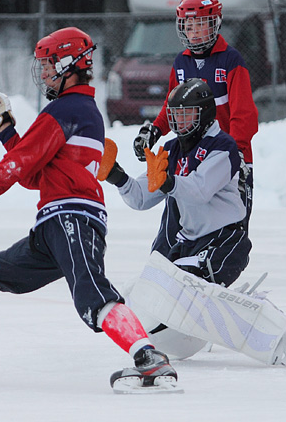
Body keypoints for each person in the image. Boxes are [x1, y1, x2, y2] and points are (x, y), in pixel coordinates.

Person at [0, 27, 178, 393]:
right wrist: (5, 127)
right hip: (52, 226)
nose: (43, 74)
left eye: (48, 65)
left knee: (92, 294)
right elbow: (34, 174)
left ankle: (149, 358)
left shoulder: (68, 108)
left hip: (73, 219)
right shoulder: (76, 110)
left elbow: (19, 165)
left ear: (70, 64)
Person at [132, 0, 258, 249]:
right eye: (188, 26)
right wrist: (154, 130)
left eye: (200, 24)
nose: (194, 32)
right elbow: (172, 104)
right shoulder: (181, 62)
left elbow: (244, 115)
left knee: (228, 226)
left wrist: (236, 154)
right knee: (183, 224)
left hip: (226, 160)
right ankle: (175, 267)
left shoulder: (230, 60)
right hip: (191, 158)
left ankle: (216, 272)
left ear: (215, 24)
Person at [105, 78, 250, 288]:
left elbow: (200, 190)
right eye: (175, 115)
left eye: (186, 114)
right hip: (188, 243)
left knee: (183, 283)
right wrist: (116, 176)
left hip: (223, 242)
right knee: (151, 285)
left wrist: (167, 181)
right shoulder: (172, 149)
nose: (179, 121)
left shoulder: (224, 147)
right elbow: (141, 198)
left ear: (205, 112)